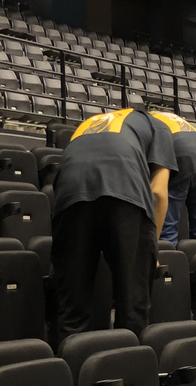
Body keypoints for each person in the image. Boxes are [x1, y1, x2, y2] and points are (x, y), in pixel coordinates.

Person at [51, 106, 176, 338]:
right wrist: (152, 250)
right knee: (132, 306)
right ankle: (128, 358)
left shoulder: (89, 123)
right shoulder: (158, 125)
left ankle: (72, 358)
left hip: (70, 194)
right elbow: (158, 192)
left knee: (73, 308)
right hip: (125, 191)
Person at [150, 109, 196, 244]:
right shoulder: (174, 118)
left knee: (167, 229)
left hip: (181, 159)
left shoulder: (148, 120)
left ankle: (167, 255)